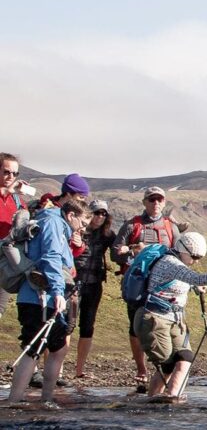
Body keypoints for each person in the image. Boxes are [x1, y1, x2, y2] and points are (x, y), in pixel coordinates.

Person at [9, 194, 88, 407]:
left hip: (36, 296)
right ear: (71, 215)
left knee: (58, 347)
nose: (82, 228)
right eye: (82, 222)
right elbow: (51, 258)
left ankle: (45, 399)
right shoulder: (54, 224)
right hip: (41, 297)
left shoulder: (51, 221)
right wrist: (58, 292)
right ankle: (15, 400)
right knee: (33, 348)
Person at [132, 230, 207, 400]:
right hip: (154, 319)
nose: (196, 261)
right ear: (183, 249)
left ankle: (171, 397)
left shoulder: (178, 264)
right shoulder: (170, 262)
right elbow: (198, 278)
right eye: (194, 257)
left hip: (175, 321)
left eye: (199, 258)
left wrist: (192, 288)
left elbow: (174, 284)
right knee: (168, 365)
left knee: (185, 357)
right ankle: (158, 400)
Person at [114, 186, 180, 390]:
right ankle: (141, 369)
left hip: (164, 287)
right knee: (136, 327)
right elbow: (115, 254)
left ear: (164, 202)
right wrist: (134, 250)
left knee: (166, 324)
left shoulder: (171, 227)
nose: (156, 203)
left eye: (159, 199)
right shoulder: (132, 225)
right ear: (144, 202)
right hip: (137, 285)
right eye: (151, 200)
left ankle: (162, 368)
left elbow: (180, 255)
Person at [72, 200, 119, 379]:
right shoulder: (77, 230)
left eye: (103, 213)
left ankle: (79, 369)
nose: (99, 216)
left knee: (87, 325)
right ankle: (57, 369)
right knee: (66, 325)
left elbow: (118, 249)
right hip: (73, 282)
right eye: (96, 212)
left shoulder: (107, 235)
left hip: (94, 284)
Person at [0, 153, 23, 321]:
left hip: (6, 260)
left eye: (15, 174)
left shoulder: (16, 199)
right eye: (7, 172)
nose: (11, 177)